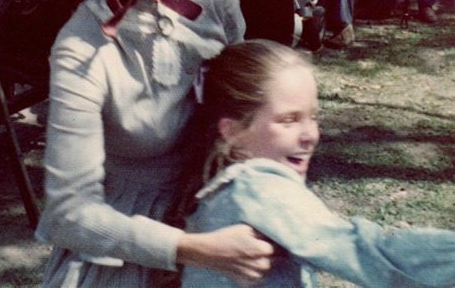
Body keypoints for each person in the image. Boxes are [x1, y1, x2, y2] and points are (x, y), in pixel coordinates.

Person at [38, 0, 274, 287]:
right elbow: (69, 214)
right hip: (128, 256)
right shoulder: (80, 47)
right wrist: (189, 249)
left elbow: (245, 105)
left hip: (217, 214)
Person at [180, 39, 455, 287]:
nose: (310, 135)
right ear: (234, 132)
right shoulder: (259, 188)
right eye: (288, 120)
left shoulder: (225, 186)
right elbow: (362, 250)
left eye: (313, 117)